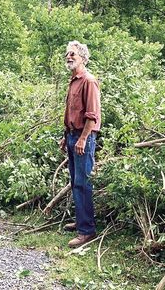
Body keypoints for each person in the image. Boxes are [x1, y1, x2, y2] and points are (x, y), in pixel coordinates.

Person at [59, 41, 101, 248]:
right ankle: (81, 221)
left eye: (73, 54)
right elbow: (72, 113)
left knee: (83, 183)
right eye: (67, 54)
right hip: (72, 136)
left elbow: (92, 116)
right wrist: (65, 136)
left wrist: (83, 138)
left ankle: (87, 231)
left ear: (83, 58)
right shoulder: (73, 81)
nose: (68, 56)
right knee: (75, 182)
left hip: (84, 138)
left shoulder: (88, 81)